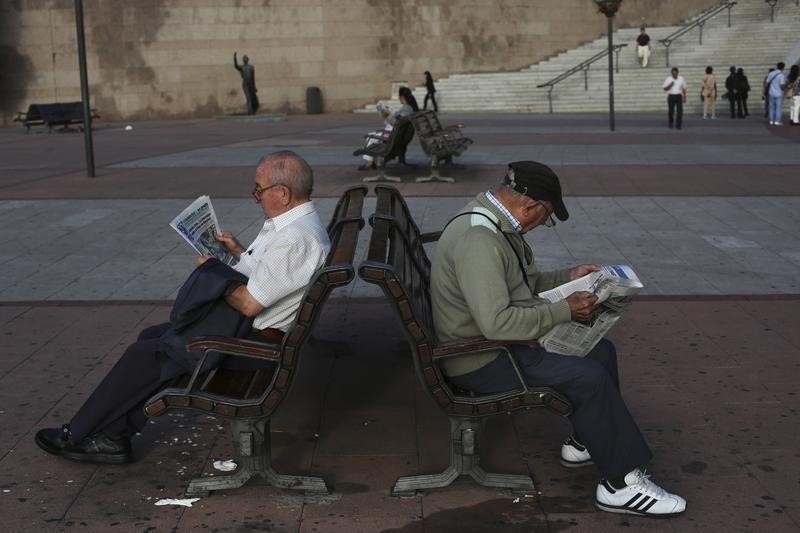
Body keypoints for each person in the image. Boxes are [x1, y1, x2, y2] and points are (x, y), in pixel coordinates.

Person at [34, 151, 331, 464]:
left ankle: (80, 433)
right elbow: (269, 276)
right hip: (253, 335)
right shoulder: (297, 225)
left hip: (254, 348)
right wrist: (238, 253)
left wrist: (215, 269)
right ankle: (113, 434)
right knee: (154, 338)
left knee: (148, 353)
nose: (255, 198)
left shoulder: (295, 239)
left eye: (259, 190)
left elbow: (249, 303)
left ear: (283, 193)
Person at [430, 161, 687, 517]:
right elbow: (498, 325)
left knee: (600, 352)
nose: (541, 225)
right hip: (480, 358)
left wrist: (569, 276)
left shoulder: (489, 220)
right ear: (531, 206)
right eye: (547, 217)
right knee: (590, 378)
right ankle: (621, 485)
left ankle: (585, 439)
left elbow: (520, 285)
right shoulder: (480, 240)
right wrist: (563, 311)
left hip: (494, 346)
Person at [357, 86, 419, 171]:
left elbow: (397, 123)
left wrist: (387, 115)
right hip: (399, 135)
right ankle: (371, 163)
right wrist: (390, 113)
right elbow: (400, 120)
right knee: (374, 135)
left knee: (370, 137)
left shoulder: (406, 108)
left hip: (393, 136)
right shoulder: (410, 108)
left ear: (401, 97)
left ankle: (369, 163)